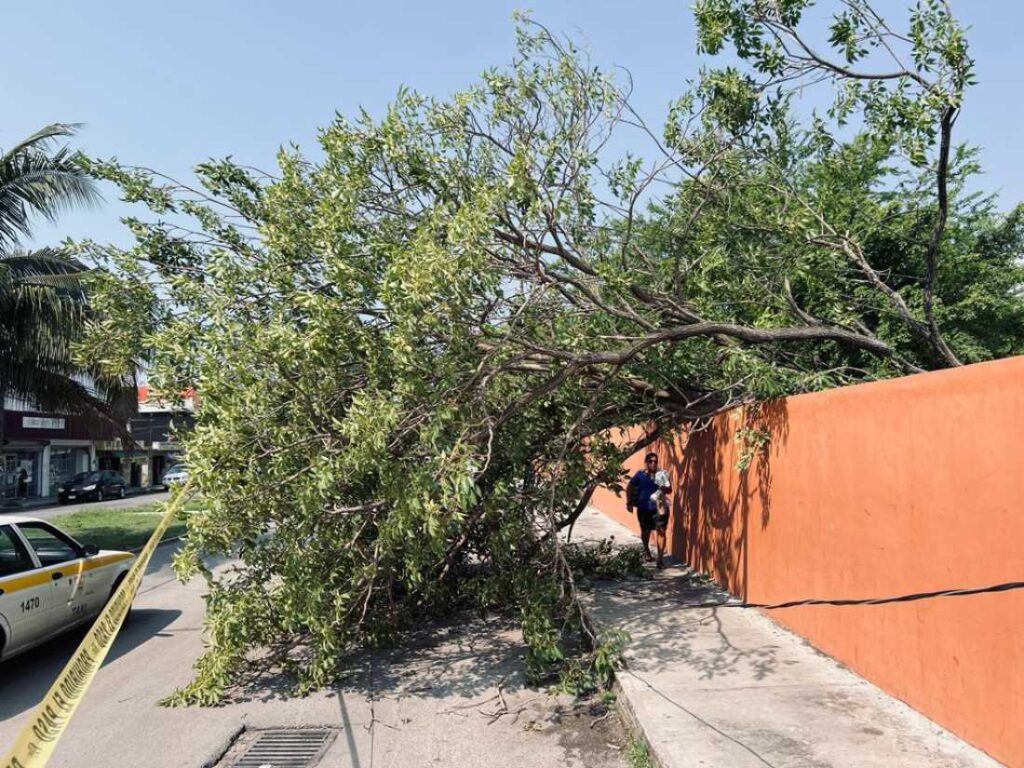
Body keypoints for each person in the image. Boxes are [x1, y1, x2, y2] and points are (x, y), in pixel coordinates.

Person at [626, 452, 672, 568]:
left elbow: (669, 489)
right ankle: (646, 550)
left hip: (660, 507)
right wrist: (629, 502)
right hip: (644, 508)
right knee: (646, 532)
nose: (653, 464)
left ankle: (660, 559)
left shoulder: (661, 474)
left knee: (661, 531)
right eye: (650, 461)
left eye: (655, 462)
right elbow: (630, 487)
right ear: (646, 463)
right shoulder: (640, 475)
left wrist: (664, 487)